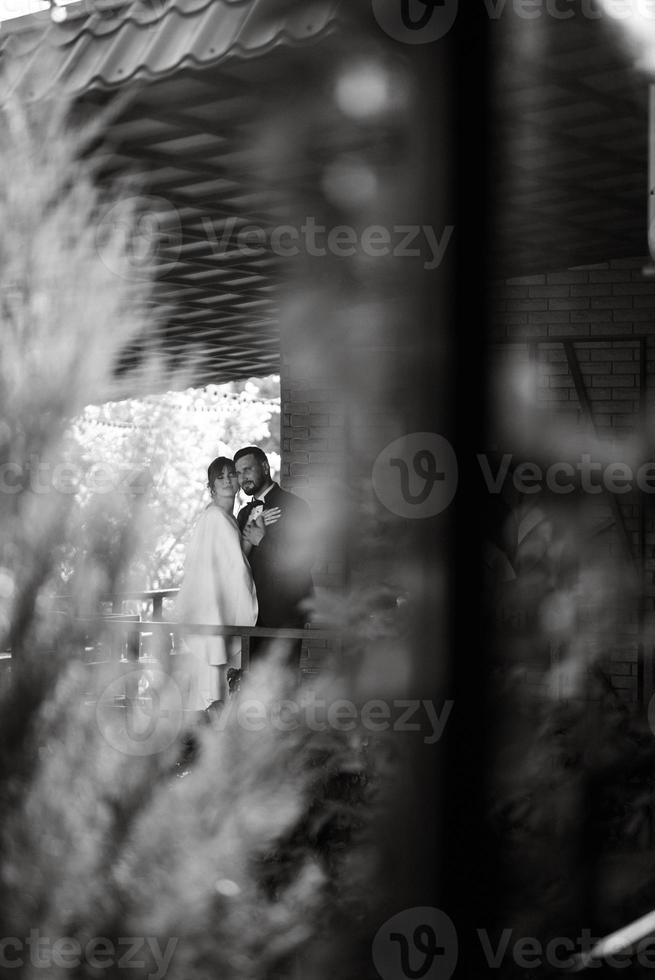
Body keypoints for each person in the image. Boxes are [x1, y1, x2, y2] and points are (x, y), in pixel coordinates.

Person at [175, 456, 277, 711]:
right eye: (219, 477)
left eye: (231, 474)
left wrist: (253, 534)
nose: (228, 480)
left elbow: (234, 559)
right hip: (214, 611)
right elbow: (233, 570)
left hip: (219, 610)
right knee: (215, 687)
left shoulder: (229, 517)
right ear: (210, 487)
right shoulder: (215, 519)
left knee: (222, 685)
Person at [234, 446, 314, 669]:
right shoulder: (243, 514)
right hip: (251, 614)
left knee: (282, 686)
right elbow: (237, 562)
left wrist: (263, 540)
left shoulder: (295, 506)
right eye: (238, 473)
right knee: (251, 684)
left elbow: (305, 559)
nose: (243, 478)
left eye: (247, 470)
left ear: (265, 467)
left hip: (286, 613)